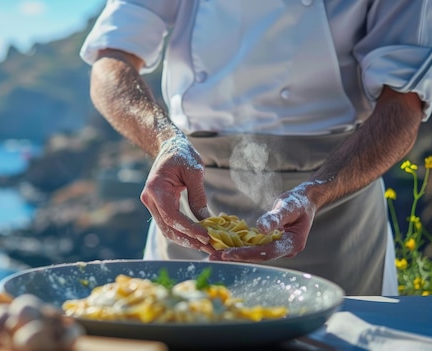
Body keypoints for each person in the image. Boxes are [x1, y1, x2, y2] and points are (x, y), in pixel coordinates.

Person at [80, 0, 431, 296]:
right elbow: (112, 59)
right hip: (188, 188)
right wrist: (165, 142)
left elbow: (403, 105)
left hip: (336, 195)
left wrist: (317, 192)